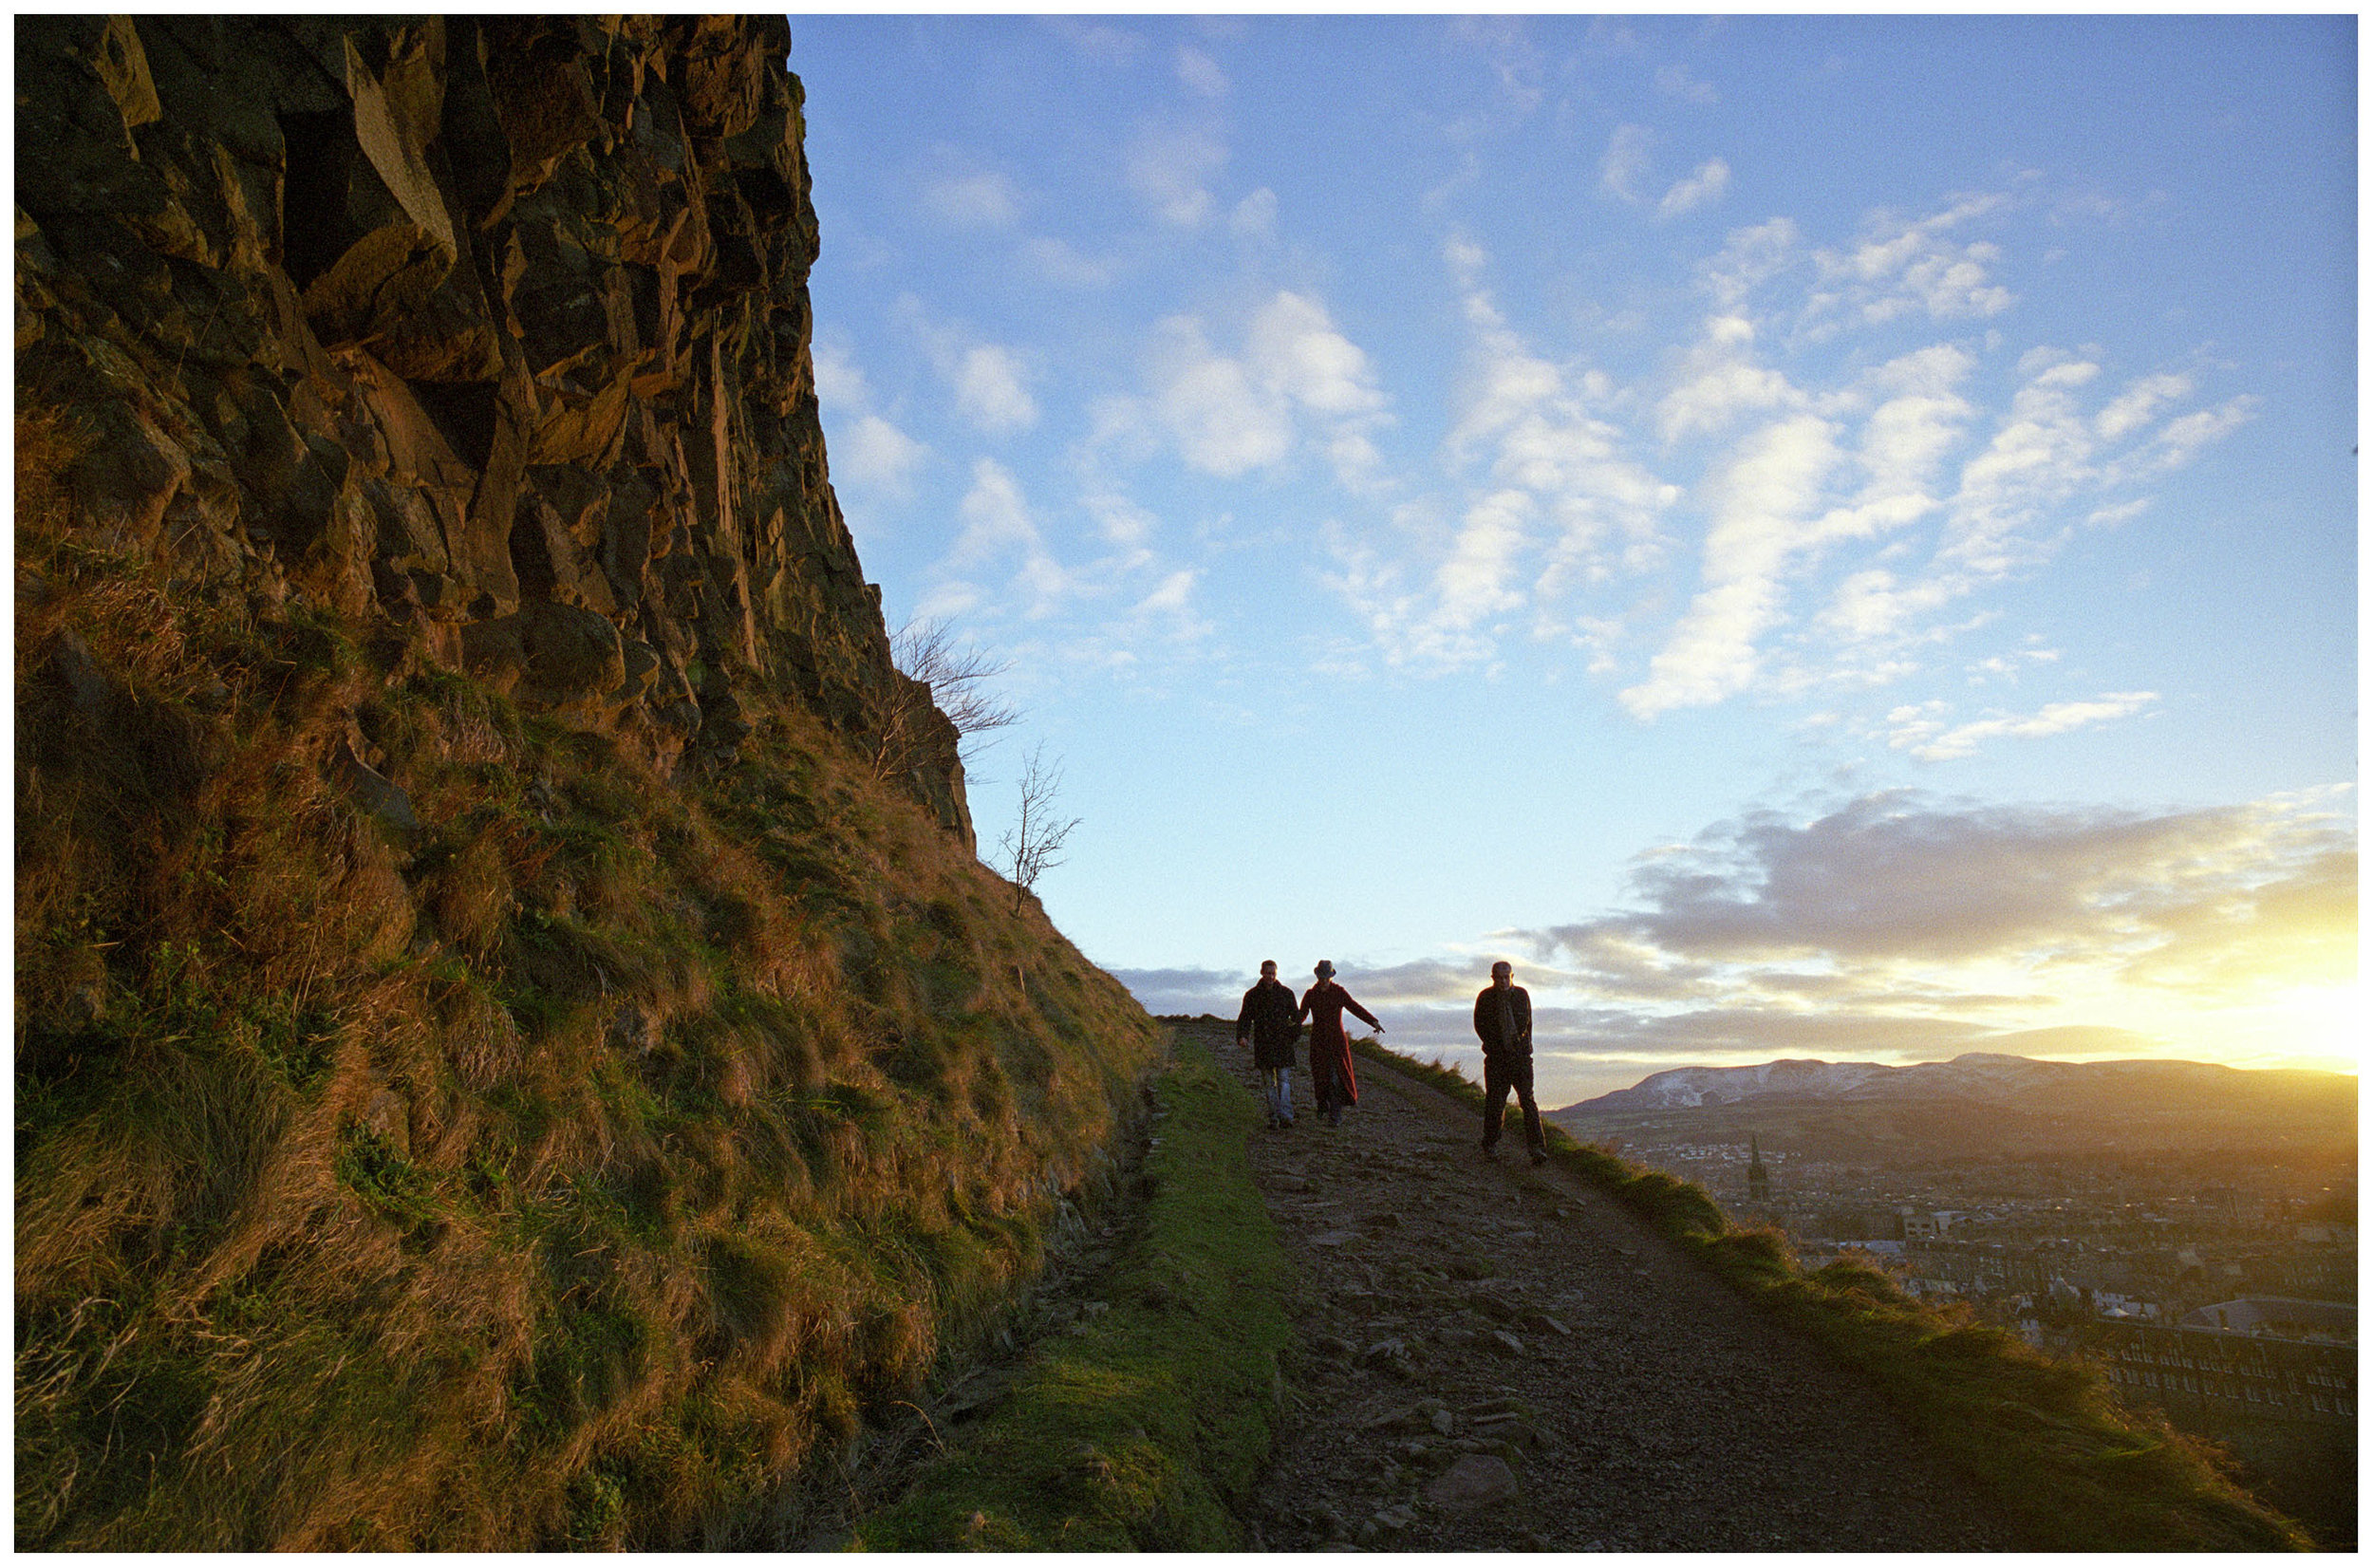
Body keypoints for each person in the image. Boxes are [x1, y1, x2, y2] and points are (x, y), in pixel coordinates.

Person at [1473, 960, 1546, 1165]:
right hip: (1497, 1060)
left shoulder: (1522, 995)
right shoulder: (1485, 998)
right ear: (1493, 978)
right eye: (1499, 977)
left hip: (1521, 1059)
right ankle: (1490, 1144)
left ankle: (1537, 1149)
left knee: (1528, 1101)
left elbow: (1527, 1023)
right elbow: (1480, 1026)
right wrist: (1495, 1045)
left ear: (1512, 976)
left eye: (1507, 977)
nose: (1504, 981)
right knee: (1495, 1102)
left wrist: (1524, 1048)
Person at [1298, 960, 1381, 1128]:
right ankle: (1322, 1105)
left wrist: (1373, 1021)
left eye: (1327, 977)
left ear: (1331, 976)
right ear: (1317, 976)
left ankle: (1335, 1116)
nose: (1324, 980)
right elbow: (1302, 1015)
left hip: (1337, 1043)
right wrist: (1292, 1023)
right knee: (1321, 1077)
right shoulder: (1310, 995)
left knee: (1337, 1078)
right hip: (1318, 1042)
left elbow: (1354, 1007)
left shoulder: (1339, 992)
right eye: (1321, 977)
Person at [1236, 960, 1303, 1129]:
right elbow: (1244, 1018)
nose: (1270, 977)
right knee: (1269, 1083)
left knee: (1284, 1081)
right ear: (1261, 973)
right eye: (1267, 973)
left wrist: (1293, 1036)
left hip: (1283, 1044)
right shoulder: (1252, 995)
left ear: (1276, 973)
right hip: (1264, 1044)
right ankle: (1274, 1117)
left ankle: (1286, 1117)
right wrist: (1242, 1036)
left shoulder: (1287, 994)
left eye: (1273, 973)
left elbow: (1297, 1018)